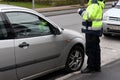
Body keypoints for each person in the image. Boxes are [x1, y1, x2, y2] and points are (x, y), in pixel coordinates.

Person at [77, 0, 105, 73]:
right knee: (96, 49)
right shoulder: (98, 4)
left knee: (90, 49)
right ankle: (97, 67)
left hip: (91, 31)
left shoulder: (94, 4)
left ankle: (90, 67)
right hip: (95, 30)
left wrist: (81, 11)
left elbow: (89, 16)